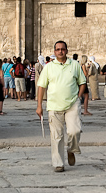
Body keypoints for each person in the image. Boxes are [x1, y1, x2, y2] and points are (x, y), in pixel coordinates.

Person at [35, 40, 86, 173]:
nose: (60, 51)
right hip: (54, 105)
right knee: (56, 136)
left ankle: (71, 149)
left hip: (72, 104)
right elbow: (41, 86)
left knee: (74, 131)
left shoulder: (74, 65)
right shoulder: (48, 67)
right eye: (57, 49)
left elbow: (82, 82)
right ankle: (58, 163)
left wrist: (78, 97)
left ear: (66, 51)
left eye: (62, 49)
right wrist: (39, 105)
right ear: (54, 51)